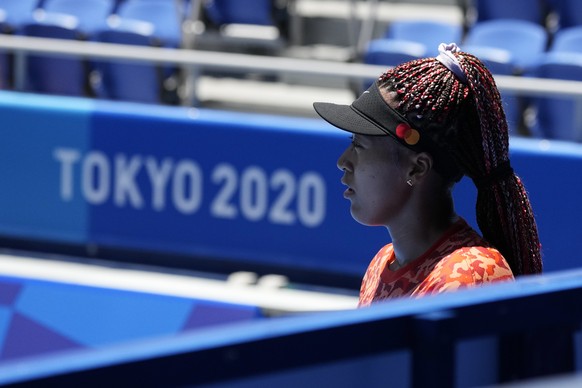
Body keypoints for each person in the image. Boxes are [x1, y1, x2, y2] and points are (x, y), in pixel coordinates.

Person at [313, 43, 542, 307]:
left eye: (359, 145)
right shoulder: (381, 263)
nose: (343, 161)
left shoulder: (469, 276)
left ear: (417, 168)